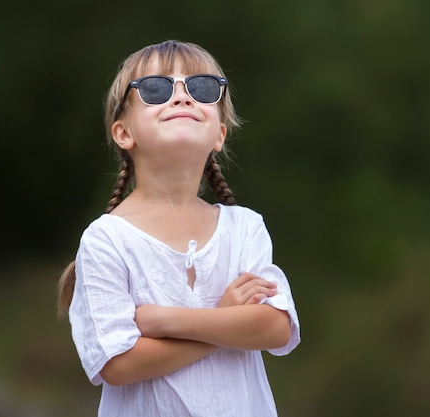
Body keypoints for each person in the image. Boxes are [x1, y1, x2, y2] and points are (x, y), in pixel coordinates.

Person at [56, 40, 300, 417]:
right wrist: (224, 320)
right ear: (123, 133)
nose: (182, 97)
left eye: (202, 88)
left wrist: (168, 320)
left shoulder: (245, 228)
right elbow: (117, 364)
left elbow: (276, 326)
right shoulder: (106, 239)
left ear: (219, 134)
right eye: (157, 88)